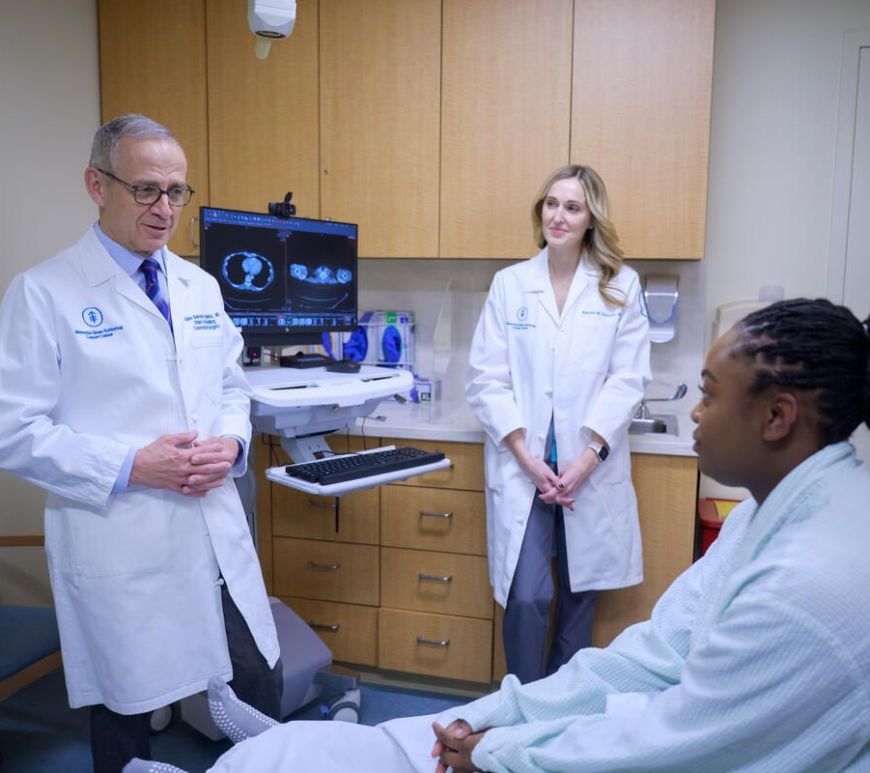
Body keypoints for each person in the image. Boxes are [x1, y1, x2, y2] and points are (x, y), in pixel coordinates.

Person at [127, 297, 870, 772]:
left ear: (777, 417)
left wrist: (501, 753)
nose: (697, 413)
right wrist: (490, 715)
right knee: (365, 739)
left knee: (339, 757)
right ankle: (285, 746)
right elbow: (650, 657)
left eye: (708, 395)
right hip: (544, 507)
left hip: (640, 732)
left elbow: (671, 741)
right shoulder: (774, 515)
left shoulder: (804, 587)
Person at [0, 114, 282, 772]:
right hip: (121, 538)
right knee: (125, 711)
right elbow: (12, 429)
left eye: (177, 191)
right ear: (96, 185)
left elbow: (232, 386)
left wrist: (232, 445)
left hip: (212, 528)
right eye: (146, 189)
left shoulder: (199, 286)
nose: (165, 209)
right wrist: (131, 465)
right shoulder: (43, 293)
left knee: (256, 684)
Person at [465, 164, 651, 682]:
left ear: (591, 218)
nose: (559, 216)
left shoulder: (620, 285)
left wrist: (587, 460)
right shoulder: (510, 285)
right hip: (524, 466)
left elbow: (628, 380)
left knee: (578, 594)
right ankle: (522, 703)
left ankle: (560, 709)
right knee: (527, 594)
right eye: (551, 204)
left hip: (586, 467)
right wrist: (526, 459)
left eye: (572, 207)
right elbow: (485, 379)